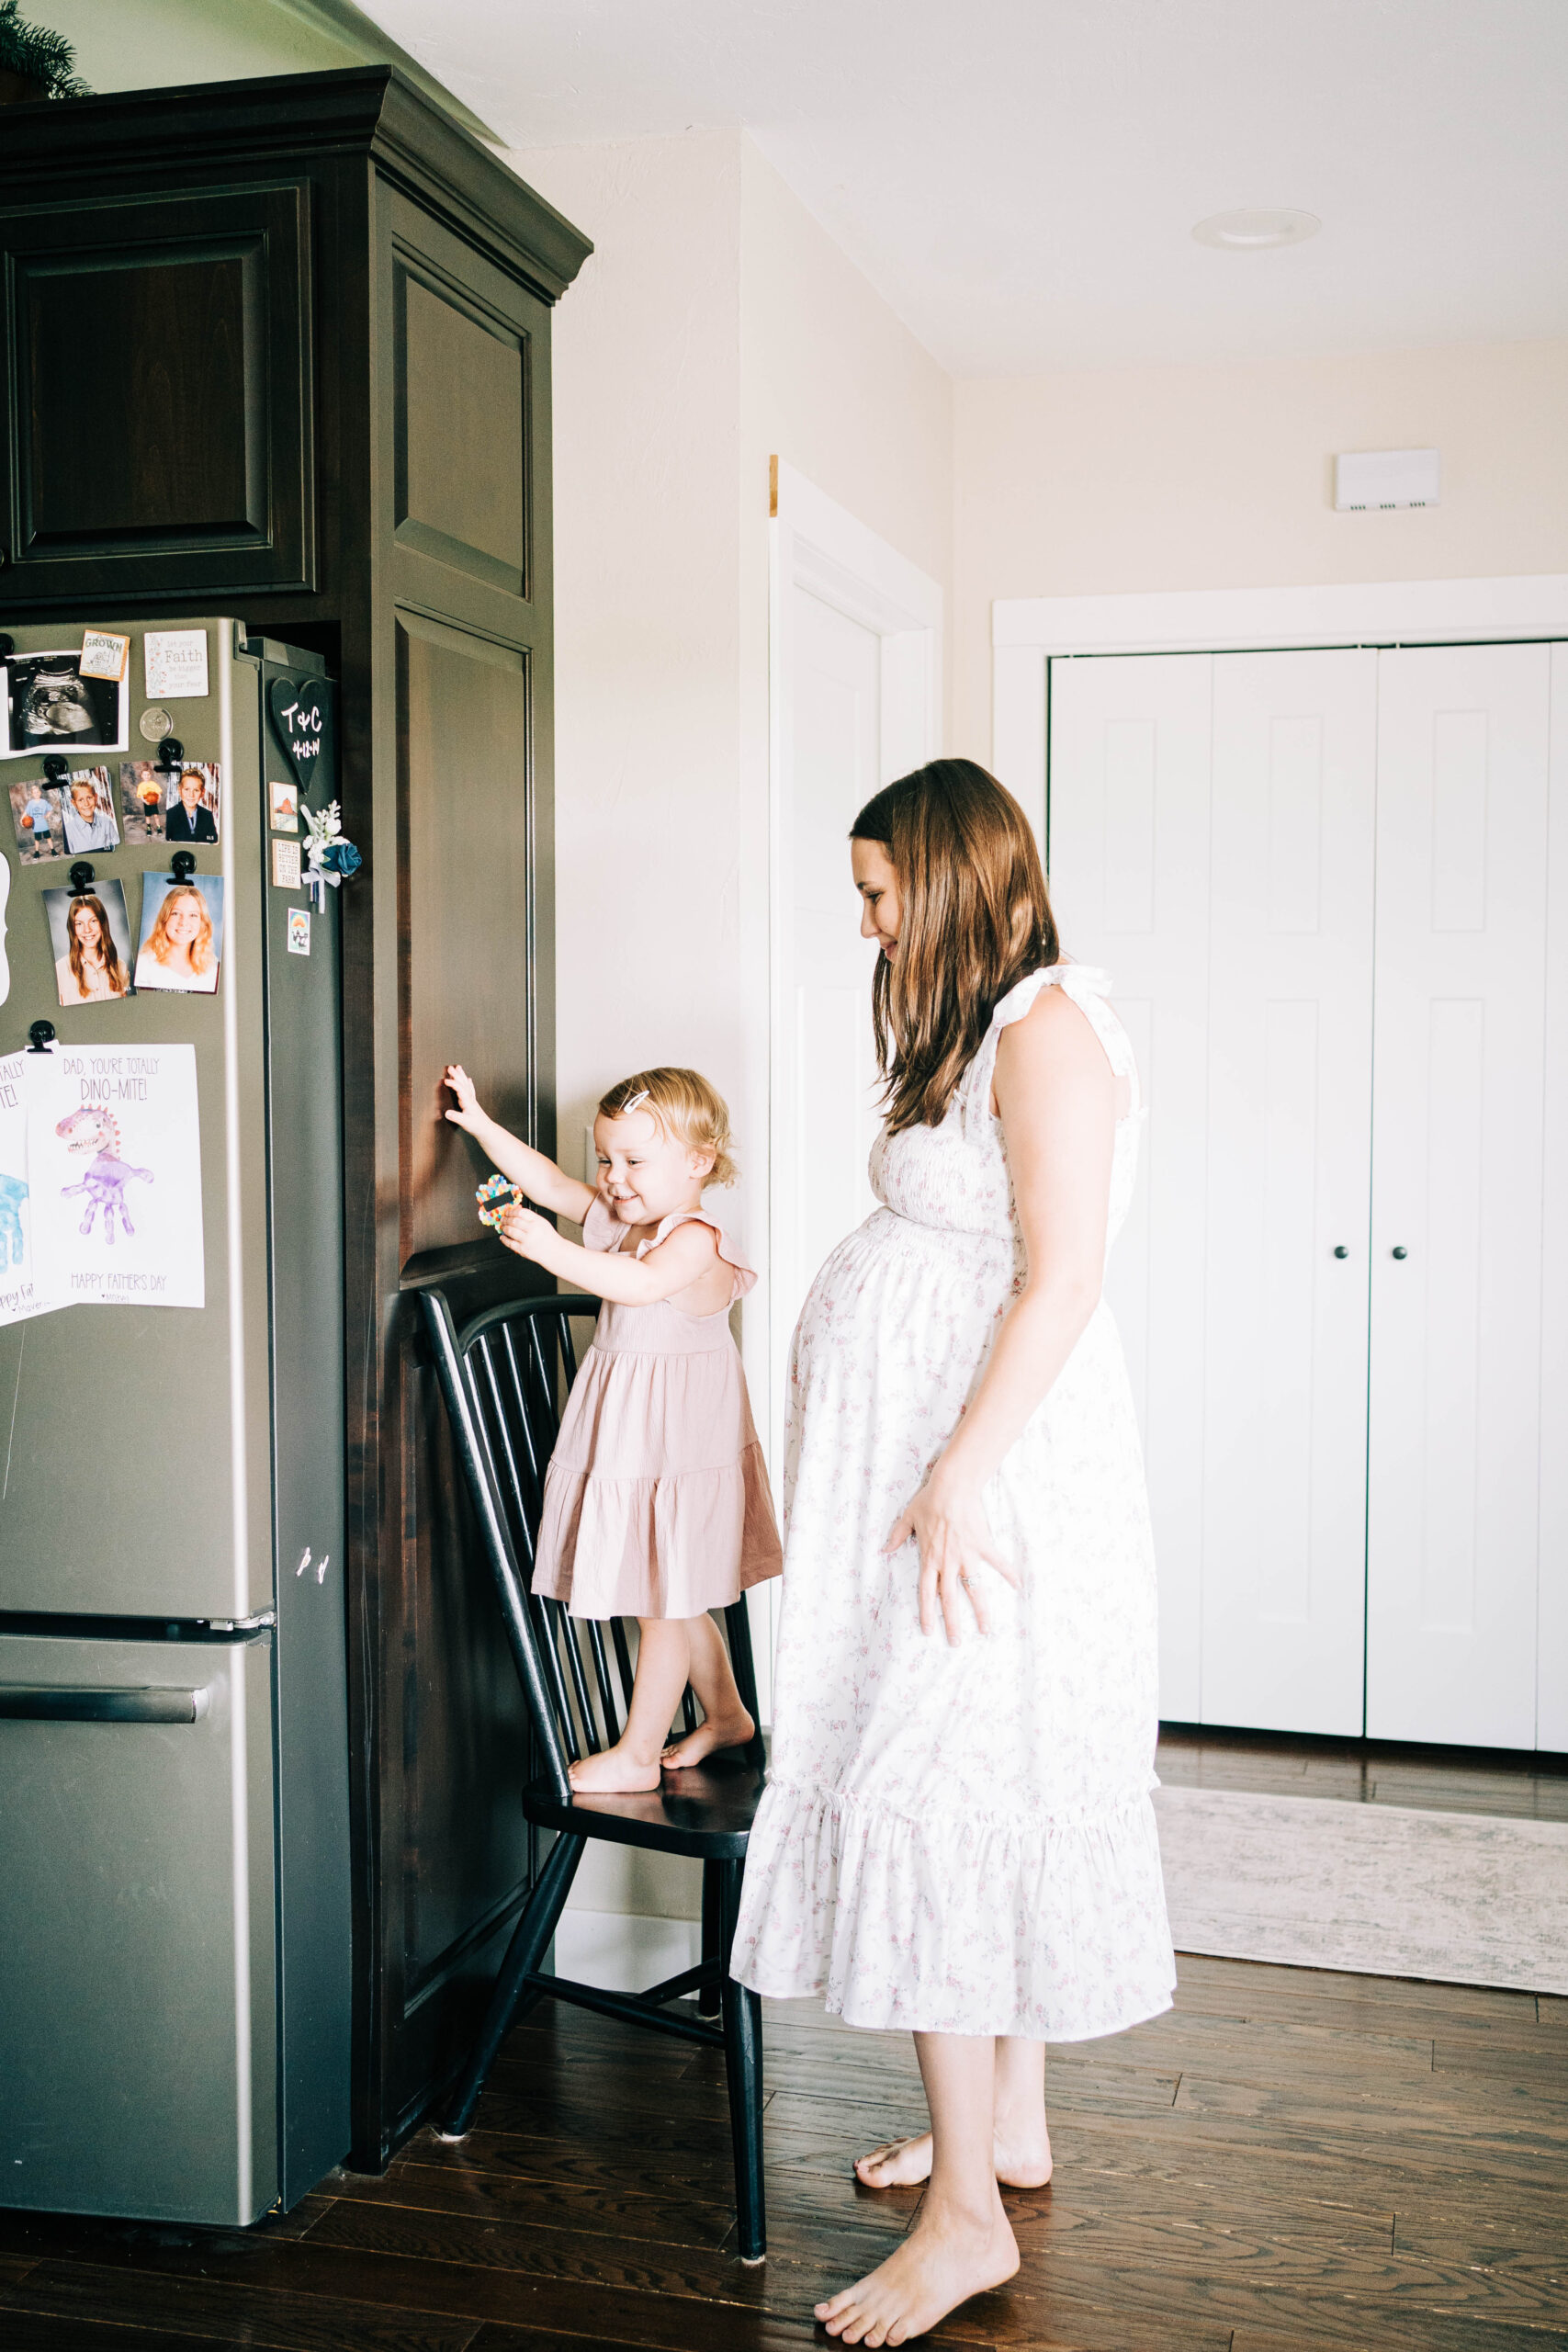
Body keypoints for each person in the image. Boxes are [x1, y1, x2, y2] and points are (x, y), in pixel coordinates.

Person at [732, 759, 1176, 2346]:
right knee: (963, 1783)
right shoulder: (985, 1025)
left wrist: (952, 1476)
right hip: (938, 1476)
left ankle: (966, 2219)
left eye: (876, 892)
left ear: (951, 876)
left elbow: (1057, 1281)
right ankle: (1006, 2132)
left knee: (940, 1780)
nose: (862, 925)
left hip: (986, 1488)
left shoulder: (1049, 1030)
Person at [443, 1061, 782, 1792]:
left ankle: (636, 1753)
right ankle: (726, 1714)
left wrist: (550, 1250)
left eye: (633, 1161)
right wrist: (480, 1125)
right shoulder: (626, 1221)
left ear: (698, 1163)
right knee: (675, 1593)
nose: (614, 1177)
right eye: (606, 1157)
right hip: (633, 1440)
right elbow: (553, 1186)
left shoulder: (694, 1239)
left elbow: (637, 1284)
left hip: (678, 1449)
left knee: (664, 1600)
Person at [135, 883, 218, 993]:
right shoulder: (143, 964)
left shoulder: (213, 968)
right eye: (176, 913)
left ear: (202, 922)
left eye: (193, 915)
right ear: (164, 919)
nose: (183, 922)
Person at [56, 892, 130, 1004]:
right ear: (72, 928)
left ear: (102, 924)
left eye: (93, 921)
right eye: (79, 924)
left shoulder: (120, 966)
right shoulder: (60, 970)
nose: (87, 930)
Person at [61, 774, 119, 854]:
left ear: (95, 797)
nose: (86, 804)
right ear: (74, 803)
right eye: (80, 800)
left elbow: (117, 850)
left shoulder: (107, 823)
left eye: (89, 797)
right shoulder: (69, 830)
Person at [164, 767, 218, 843]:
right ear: (180, 790)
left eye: (196, 790)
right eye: (186, 789)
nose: (191, 795)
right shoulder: (169, 815)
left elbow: (213, 841)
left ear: (202, 792)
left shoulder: (207, 815)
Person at [20, 786, 56, 860]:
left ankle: (53, 851)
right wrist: (21, 819)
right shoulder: (31, 803)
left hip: (43, 824)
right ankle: (37, 853)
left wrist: (47, 815)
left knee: (48, 838)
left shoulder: (44, 802)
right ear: (32, 794)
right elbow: (26, 812)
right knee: (37, 840)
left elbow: (50, 809)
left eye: (37, 792)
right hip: (36, 825)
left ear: (40, 793)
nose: (36, 794)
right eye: (34, 792)